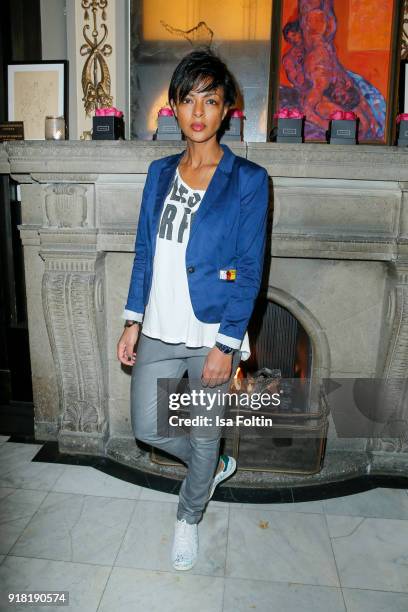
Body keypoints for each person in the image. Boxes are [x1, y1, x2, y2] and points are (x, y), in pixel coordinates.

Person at [116, 48, 269, 571]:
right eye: (187, 99)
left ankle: (189, 516)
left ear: (226, 108)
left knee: (202, 431)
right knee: (148, 427)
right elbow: (145, 252)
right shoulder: (158, 174)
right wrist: (132, 320)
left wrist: (228, 344)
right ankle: (213, 463)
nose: (198, 111)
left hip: (211, 331)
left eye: (210, 99)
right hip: (159, 325)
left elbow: (249, 270)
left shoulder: (250, 181)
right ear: (175, 109)